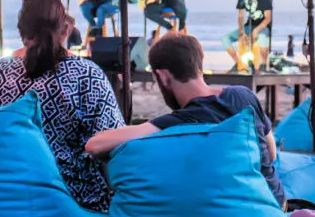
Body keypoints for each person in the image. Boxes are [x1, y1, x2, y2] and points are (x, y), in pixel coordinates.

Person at [86, 33, 285, 206]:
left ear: (162, 76)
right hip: (276, 204)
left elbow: (95, 144)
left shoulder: (180, 120)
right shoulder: (244, 96)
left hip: (235, 216)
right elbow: (272, 153)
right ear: (199, 64)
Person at [0, 0, 124, 212]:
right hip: (74, 202)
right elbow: (114, 144)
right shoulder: (86, 74)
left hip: (5, 196)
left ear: (21, 32)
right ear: (66, 30)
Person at [222, 0, 272, 71]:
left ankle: (263, 65)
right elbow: (241, 16)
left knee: (262, 37)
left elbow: (268, 18)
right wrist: (241, 31)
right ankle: (237, 63)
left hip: (262, 27)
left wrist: (256, 30)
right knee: (225, 39)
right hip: (248, 26)